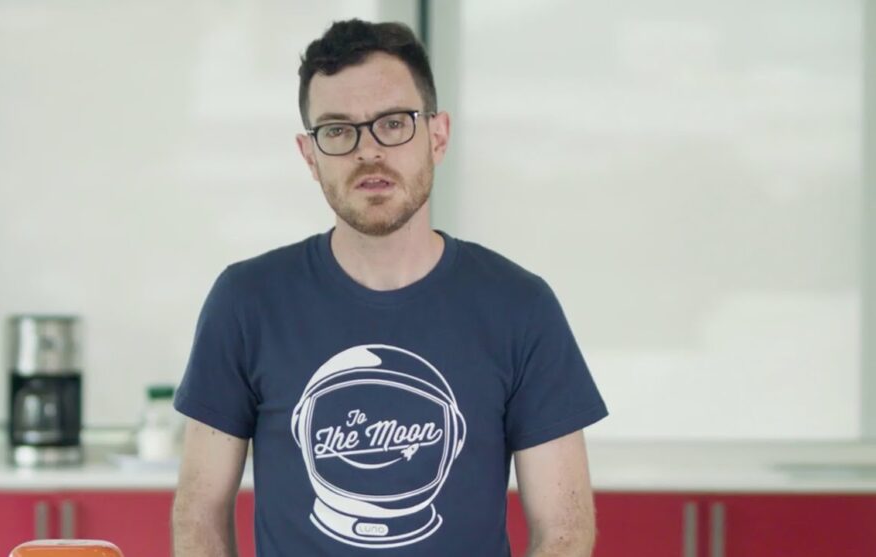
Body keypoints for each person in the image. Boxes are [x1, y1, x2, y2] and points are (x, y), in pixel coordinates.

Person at [171, 19, 608, 557]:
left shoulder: (520, 307)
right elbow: (198, 514)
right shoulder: (246, 302)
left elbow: (565, 529)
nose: (368, 152)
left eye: (394, 123)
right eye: (337, 130)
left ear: (438, 136)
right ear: (310, 156)